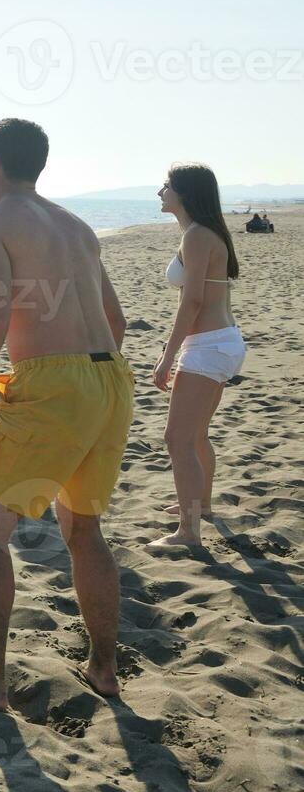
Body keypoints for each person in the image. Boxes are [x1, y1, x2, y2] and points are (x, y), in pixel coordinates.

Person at [0, 119, 133, 710]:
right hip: (109, 380)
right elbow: (115, 321)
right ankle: (103, 667)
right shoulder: (77, 225)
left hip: (55, 385)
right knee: (83, 529)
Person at [149, 165, 244, 549]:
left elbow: (193, 302)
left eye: (167, 186)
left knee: (177, 438)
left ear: (185, 193)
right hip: (218, 341)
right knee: (196, 432)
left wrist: (167, 356)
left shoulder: (198, 235)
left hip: (208, 345)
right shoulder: (200, 233)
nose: (160, 192)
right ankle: (200, 506)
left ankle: (188, 533)